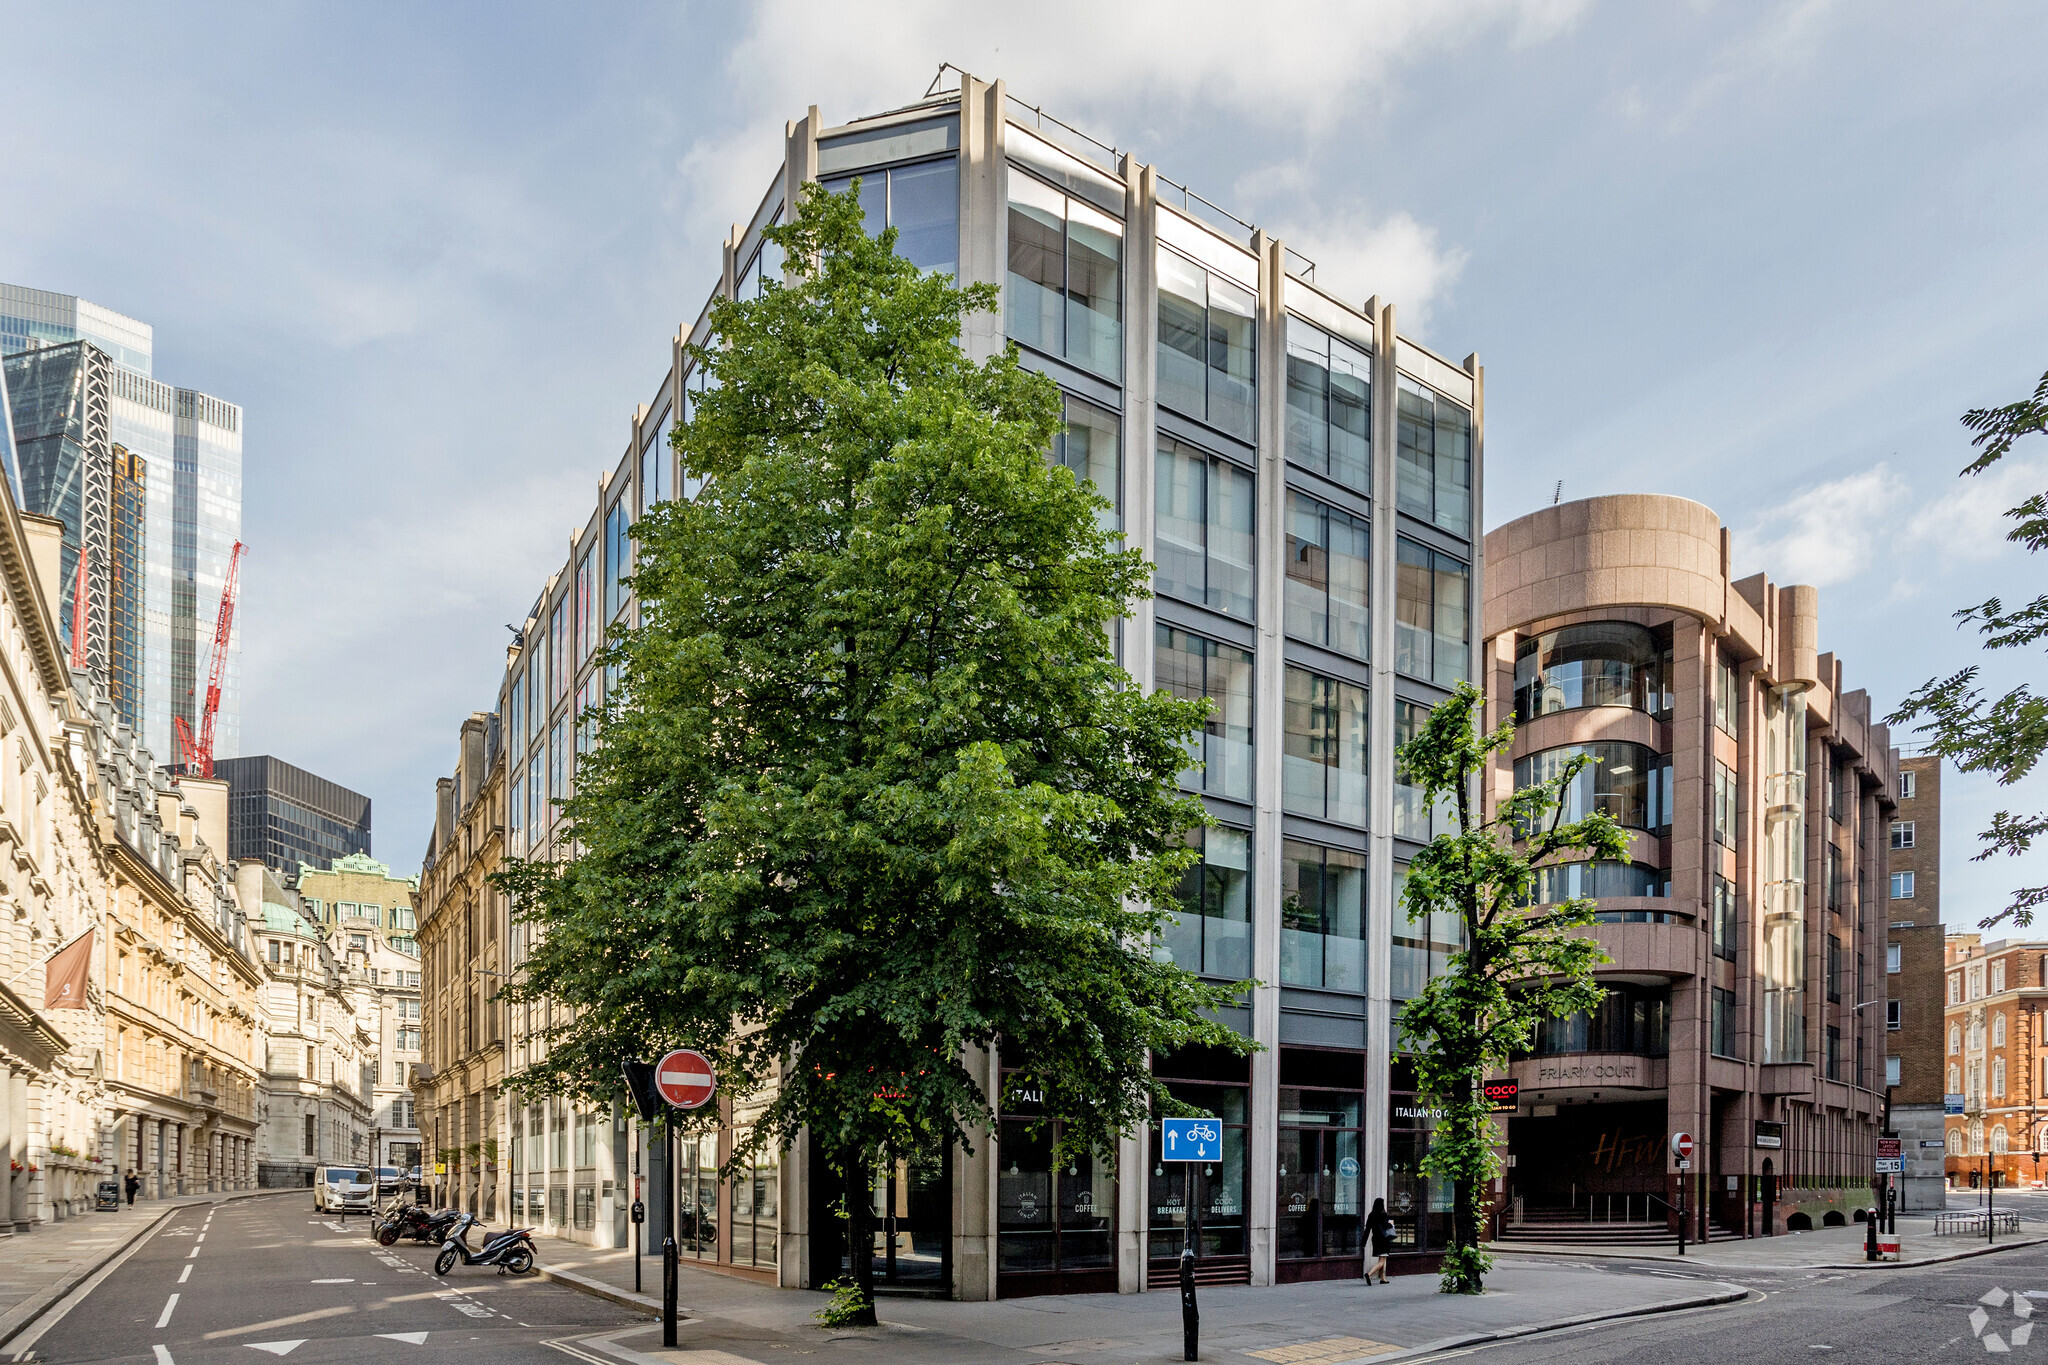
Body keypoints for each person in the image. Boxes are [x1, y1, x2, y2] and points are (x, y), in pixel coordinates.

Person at [1364, 1197, 1393, 1284]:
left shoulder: (1371, 1215)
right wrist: (1390, 1224)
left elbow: (1367, 1229)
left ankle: (1383, 1278)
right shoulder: (1383, 1214)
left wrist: (1363, 1242)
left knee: (1382, 1258)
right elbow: (1385, 1226)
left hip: (1375, 1239)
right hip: (1383, 1239)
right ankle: (1369, 1274)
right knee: (1382, 1260)